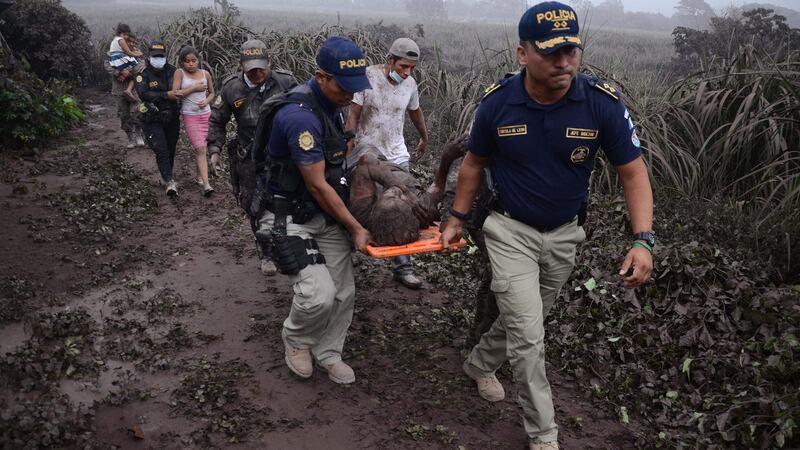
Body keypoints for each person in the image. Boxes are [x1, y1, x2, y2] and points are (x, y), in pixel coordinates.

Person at [440, 3, 655, 449]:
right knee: (530, 338)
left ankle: (479, 363)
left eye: (571, 51)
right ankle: (544, 436)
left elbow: (633, 172)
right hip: (508, 230)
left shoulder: (600, 103)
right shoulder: (498, 103)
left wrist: (644, 240)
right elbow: (473, 164)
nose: (564, 62)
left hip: (564, 234)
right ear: (522, 54)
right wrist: (457, 219)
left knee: (528, 319)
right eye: (551, 52)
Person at [251, 36, 372, 385]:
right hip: (288, 216)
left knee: (344, 291)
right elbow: (318, 184)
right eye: (344, 87)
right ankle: (297, 341)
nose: (350, 95)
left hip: (323, 213)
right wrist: (355, 228)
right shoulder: (298, 117)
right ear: (321, 77)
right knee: (318, 295)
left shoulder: (332, 106)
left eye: (355, 88)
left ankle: (329, 352)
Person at [207, 39, 297, 275]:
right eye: (251, 69)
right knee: (254, 205)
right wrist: (214, 150)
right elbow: (217, 120)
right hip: (249, 157)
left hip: (284, 155)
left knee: (287, 201)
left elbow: (304, 111)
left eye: (261, 68)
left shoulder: (286, 82)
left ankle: (289, 244)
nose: (257, 73)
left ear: (270, 62)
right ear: (241, 66)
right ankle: (265, 252)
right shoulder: (231, 88)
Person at [346, 37, 429, 289]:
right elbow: (354, 112)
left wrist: (424, 136)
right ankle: (348, 251)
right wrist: (348, 144)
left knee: (401, 207)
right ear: (389, 59)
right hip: (367, 152)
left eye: (412, 68)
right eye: (403, 66)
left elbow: (415, 110)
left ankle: (403, 267)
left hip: (395, 153)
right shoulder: (367, 77)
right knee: (360, 203)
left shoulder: (410, 84)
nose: (407, 73)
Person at [347, 135, 466, 246]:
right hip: (385, 164)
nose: (395, 191)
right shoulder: (420, 209)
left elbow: (366, 161)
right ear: (411, 211)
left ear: (376, 207)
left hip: (357, 158)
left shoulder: (362, 211)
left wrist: (403, 190)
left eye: (389, 196)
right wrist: (447, 158)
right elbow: (437, 186)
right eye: (400, 196)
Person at [136, 40, 183, 196]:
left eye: (161, 56)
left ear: (165, 56)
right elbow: (143, 94)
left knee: (170, 148)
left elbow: (182, 88)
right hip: (152, 119)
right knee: (161, 149)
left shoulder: (173, 71)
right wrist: (165, 95)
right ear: (149, 57)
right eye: (155, 56)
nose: (158, 59)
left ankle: (166, 175)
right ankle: (169, 181)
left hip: (172, 117)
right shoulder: (143, 74)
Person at [172, 45, 215, 197]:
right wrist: (193, 89)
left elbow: (212, 93)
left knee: (204, 147)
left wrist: (207, 101)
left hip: (206, 115)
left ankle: (200, 177)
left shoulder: (205, 74)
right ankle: (207, 185)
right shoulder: (180, 73)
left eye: (193, 60)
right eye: (187, 61)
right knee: (200, 148)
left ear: (198, 61)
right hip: (190, 116)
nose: (190, 64)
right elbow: (176, 93)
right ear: (182, 62)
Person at [108, 23, 143, 101]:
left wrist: (125, 72)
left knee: (136, 110)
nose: (131, 44)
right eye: (129, 41)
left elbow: (140, 66)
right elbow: (108, 65)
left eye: (133, 42)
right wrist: (120, 72)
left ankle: (129, 90)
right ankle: (128, 90)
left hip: (135, 92)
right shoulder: (120, 42)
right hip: (119, 89)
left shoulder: (115, 42)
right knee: (122, 112)